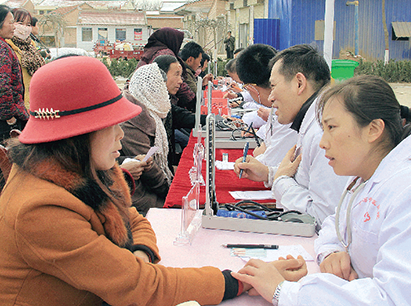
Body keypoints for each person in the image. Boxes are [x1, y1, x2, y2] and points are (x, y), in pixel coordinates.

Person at [0, 55, 308, 305]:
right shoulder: (39, 208)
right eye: (111, 125)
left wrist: (139, 254)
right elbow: (141, 287)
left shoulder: (83, 169)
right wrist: (239, 280)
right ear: (78, 135)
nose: (121, 134)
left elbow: (134, 221)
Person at [232, 75, 411, 305]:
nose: (323, 142)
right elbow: (335, 223)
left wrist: (283, 292)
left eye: (332, 127)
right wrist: (331, 251)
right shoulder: (369, 168)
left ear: (374, 129)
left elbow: (394, 298)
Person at [234, 45, 348, 227]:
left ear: (299, 84)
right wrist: (269, 174)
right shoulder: (311, 120)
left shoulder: (322, 133)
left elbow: (324, 218)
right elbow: (303, 179)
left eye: (273, 86)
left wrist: (280, 182)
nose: (270, 97)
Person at [120, 63, 172, 215]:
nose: (165, 92)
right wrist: (168, 188)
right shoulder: (132, 120)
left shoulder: (152, 112)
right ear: (150, 90)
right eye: (161, 88)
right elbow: (149, 170)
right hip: (138, 196)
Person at [234, 44, 298, 166]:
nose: (272, 97)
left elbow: (272, 163)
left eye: (274, 85)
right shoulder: (281, 106)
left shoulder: (290, 110)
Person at [153, 54, 208, 167]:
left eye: (181, 76)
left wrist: (213, 119)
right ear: (160, 76)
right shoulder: (149, 108)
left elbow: (183, 116)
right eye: (176, 75)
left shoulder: (164, 102)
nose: (180, 81)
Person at [137, 27, 196, 111]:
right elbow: (177, 82)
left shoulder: (152, 51)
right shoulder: (166, 54)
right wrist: (193, 100)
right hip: (157, 102)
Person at [6, 8, 45, 109]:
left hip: (36, 103)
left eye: (28, 25)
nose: (24, 28)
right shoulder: (7, 47)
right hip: (17, 106)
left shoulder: (31, 46)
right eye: (20, 23)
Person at [0, 5, 28, 141]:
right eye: (10, 23)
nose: (14, 27)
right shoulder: (2, 49)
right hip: (6, 121)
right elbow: (2, 85)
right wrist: (9, 117)